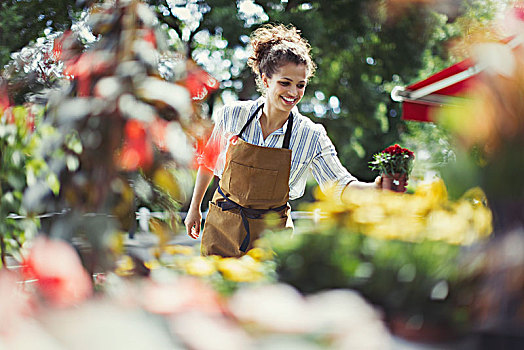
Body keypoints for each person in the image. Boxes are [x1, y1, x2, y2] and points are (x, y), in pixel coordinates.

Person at [185, 24, 380, 257]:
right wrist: (194, 207)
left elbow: (338, 183)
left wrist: (376, 189)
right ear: (266, 80)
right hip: (222, 226)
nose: (293, 93)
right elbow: (208, 162)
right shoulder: (233, 114)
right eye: (285, 83)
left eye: (301, 85)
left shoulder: (310, 135)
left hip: (272, 238)